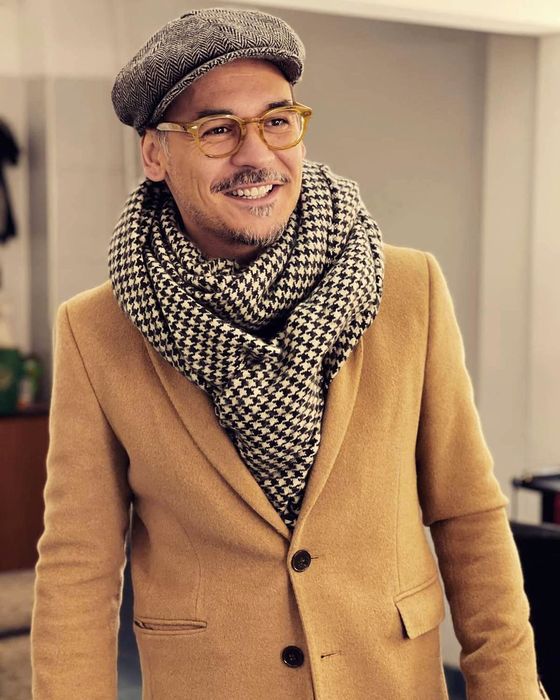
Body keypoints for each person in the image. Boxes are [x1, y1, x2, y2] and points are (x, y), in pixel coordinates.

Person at [31, 8, 548, 699]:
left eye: (277, 121)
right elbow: (79, 565)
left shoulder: (408, 290)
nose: (256, 156)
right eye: (218, 129)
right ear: (155, 155)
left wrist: (510, 690)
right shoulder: (96, 330)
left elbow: (467, 514)